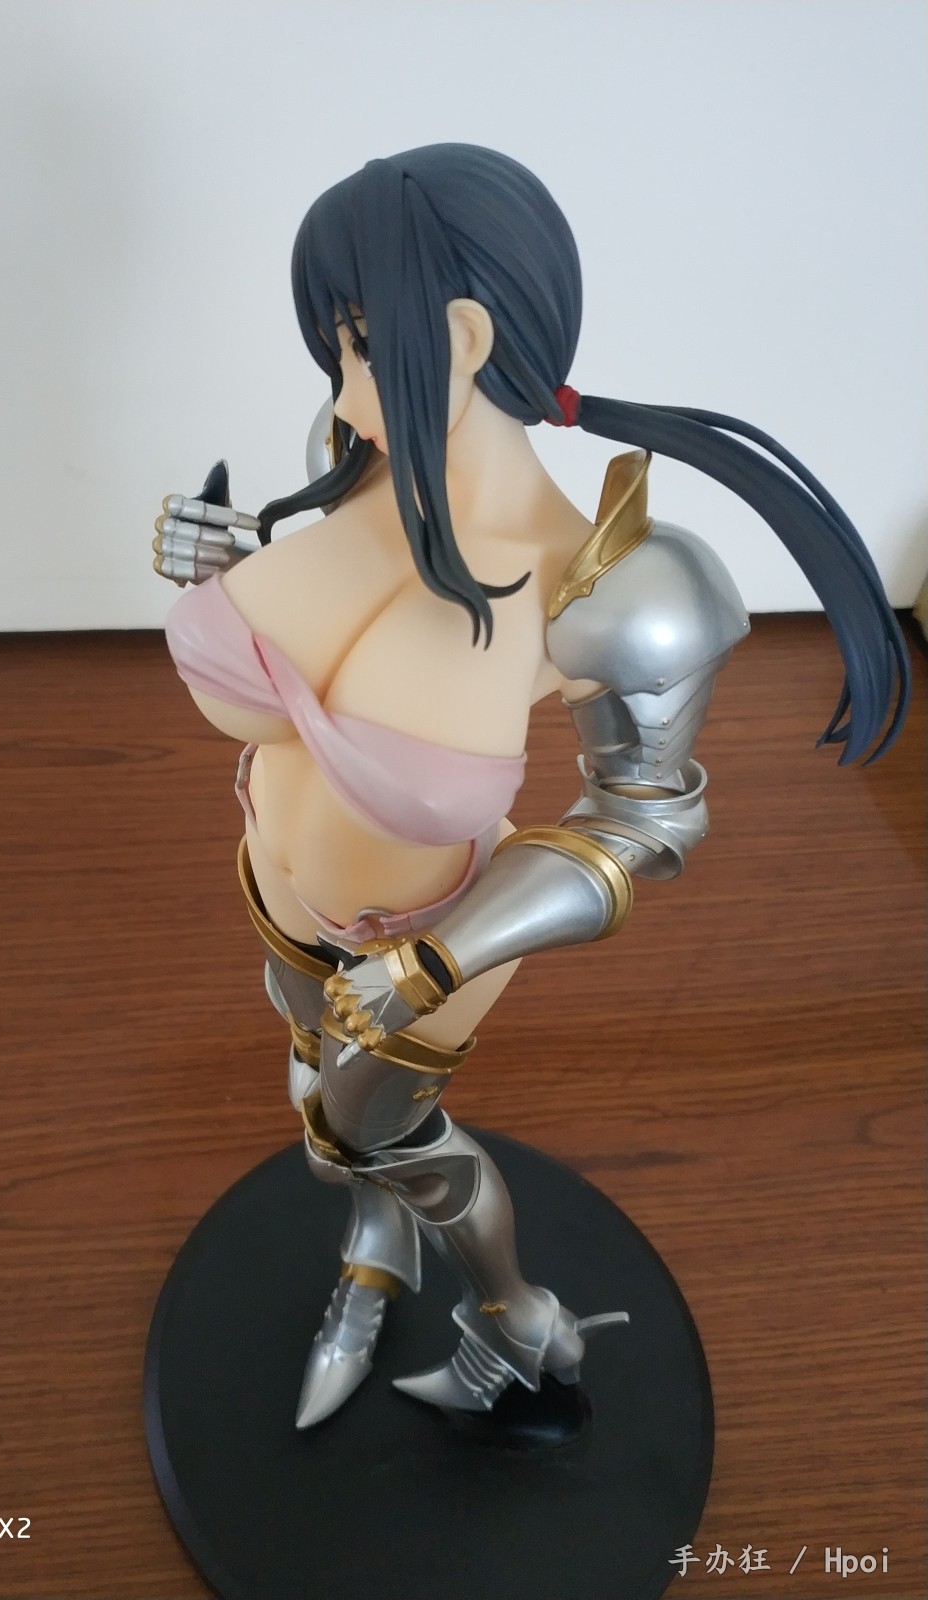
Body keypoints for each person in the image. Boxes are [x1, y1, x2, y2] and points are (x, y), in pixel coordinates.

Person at [154, 144, 908, 1430]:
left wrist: (436, 961)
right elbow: (304, 661)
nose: (342, 383)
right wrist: (230, 568)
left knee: (370, 1130)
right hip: (271, 879)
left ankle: (517, 1318)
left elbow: (645, 824)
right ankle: (375, 1246)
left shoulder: (612, 581)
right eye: (336, 346)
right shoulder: (361, 459)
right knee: (314, 1094)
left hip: (418, 935)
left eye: (356, 344)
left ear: (459, 336)